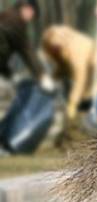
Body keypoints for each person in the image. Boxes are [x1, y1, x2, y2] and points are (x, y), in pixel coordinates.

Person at [0, 0, 54, 155]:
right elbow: (26, 50)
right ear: (26, 8)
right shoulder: (14, 21)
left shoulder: (7, 17)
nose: (31, 18)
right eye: (32, 14)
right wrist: (42, 75)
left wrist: (9, 74)